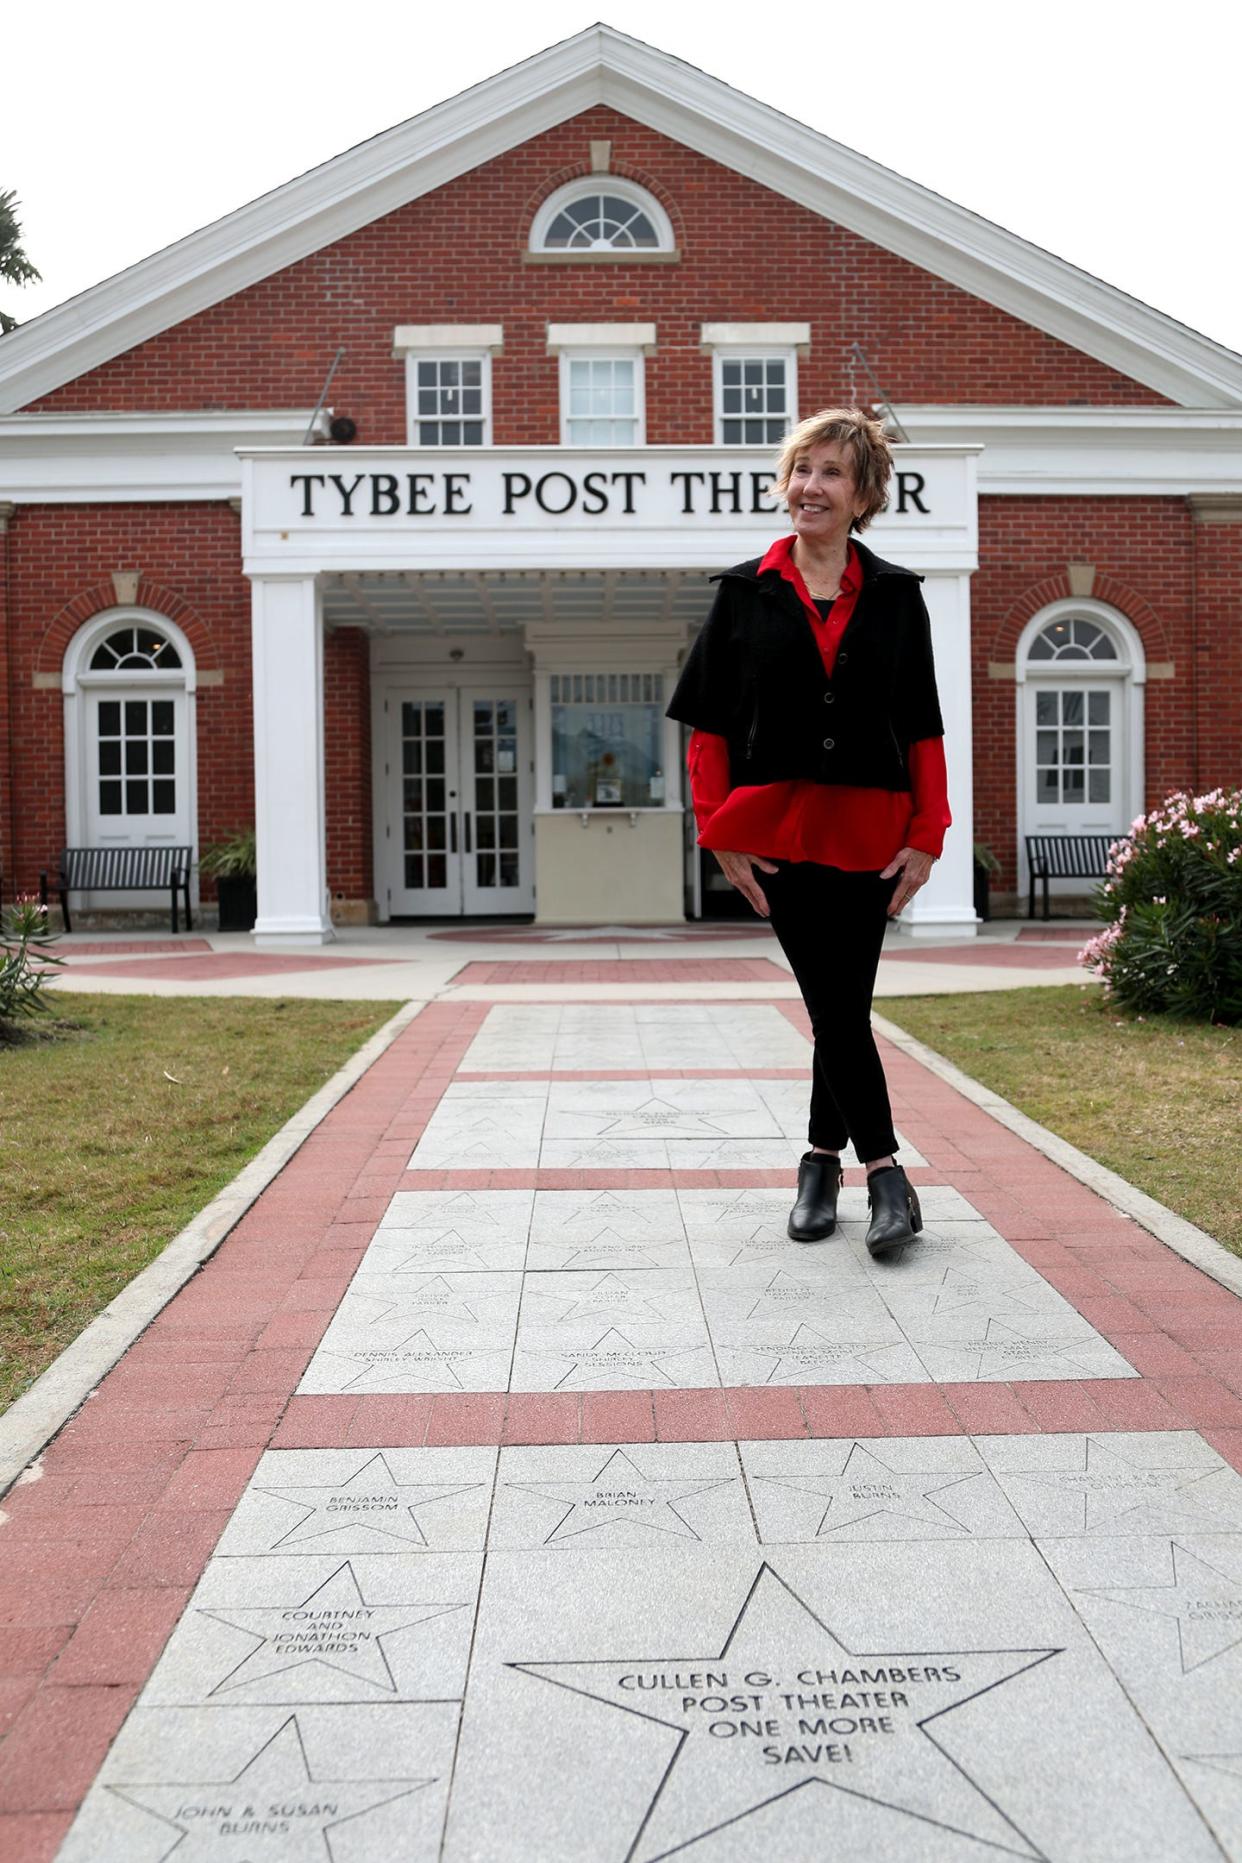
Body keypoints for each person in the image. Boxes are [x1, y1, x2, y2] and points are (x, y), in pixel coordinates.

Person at [666, 407, 951, 1256]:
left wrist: (929, 834)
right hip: (776, 835)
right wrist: (717, 832)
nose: (809, 488)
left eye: (829, 473)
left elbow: (923, 726)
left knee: (842, 1009)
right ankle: (889, 1174)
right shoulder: (744, 593)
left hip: (871, 832)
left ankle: (821, 1164)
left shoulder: (897, 598)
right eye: (800, 470)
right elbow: (708, 731)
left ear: (862, 493)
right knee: (836, 1007)